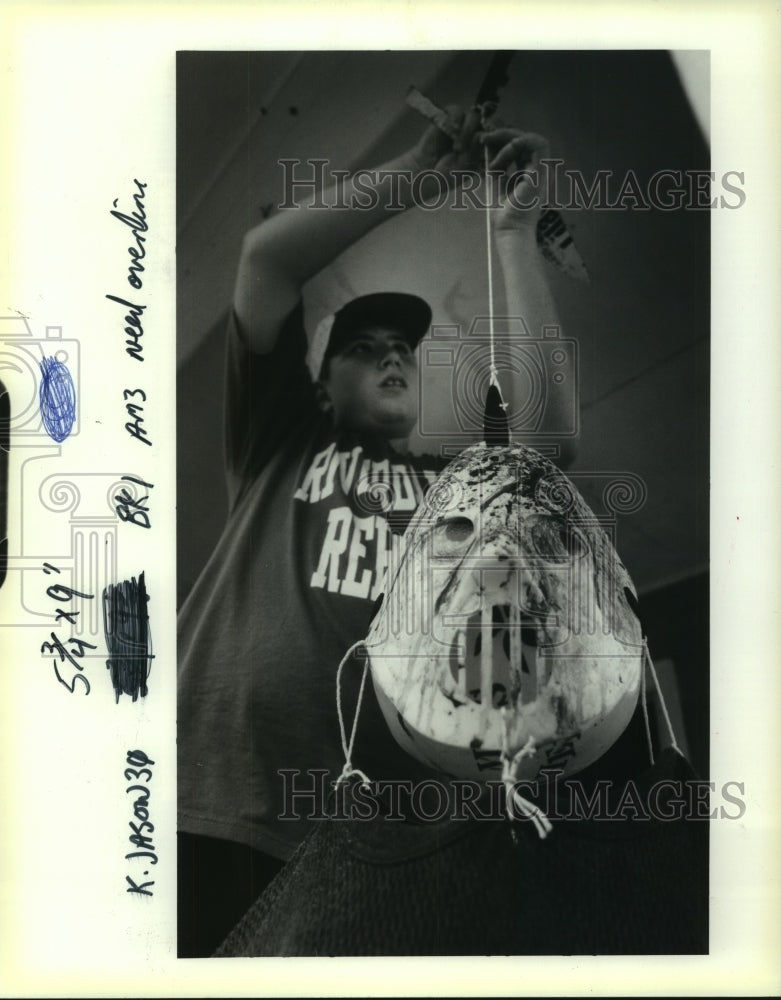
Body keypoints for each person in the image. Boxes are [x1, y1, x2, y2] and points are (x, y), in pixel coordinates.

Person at [177, 105, 578, 957]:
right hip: (206, 791)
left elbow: (549, 443)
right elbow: (264, 260)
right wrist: (428, 169)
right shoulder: (279, 438)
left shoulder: (448, 490)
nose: (395, 355)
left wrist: (508, 230)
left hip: (357, 839)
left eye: (404, 346)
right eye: (364, 346)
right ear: (320, 385)